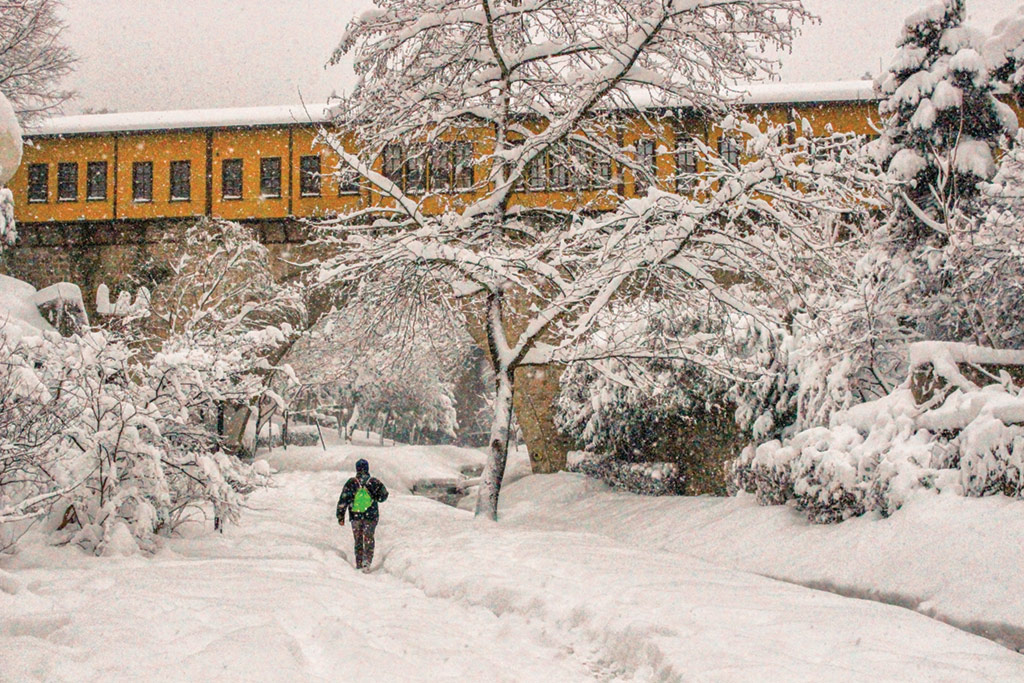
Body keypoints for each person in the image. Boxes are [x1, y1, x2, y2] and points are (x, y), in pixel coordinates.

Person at [336, 459, 388, 571]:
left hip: (356, 516)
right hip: (371, 516)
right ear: (368, 468)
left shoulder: (352, 482)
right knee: (368, 537)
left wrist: (340, 516)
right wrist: (374, 497)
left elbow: (343, 500)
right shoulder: (374, 482)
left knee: (358, 539)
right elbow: (384, 496)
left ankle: (359, 562)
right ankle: (367, 562)